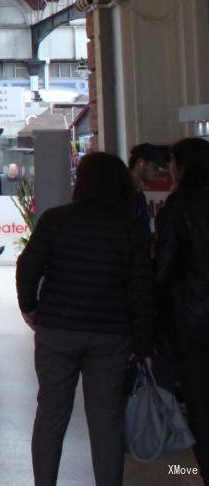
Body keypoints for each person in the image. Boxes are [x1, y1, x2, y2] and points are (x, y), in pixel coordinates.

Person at [18, 151, 155, 486]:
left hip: (57, 329)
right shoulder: (129, 227)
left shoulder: (56, 219)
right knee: (105, 419)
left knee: (51, 413)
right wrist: (143, 339)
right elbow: (141, 286)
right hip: (111, 333)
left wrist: (31, 307)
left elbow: (27, 266)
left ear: (81, 182)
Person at [154, 137, 209, 480]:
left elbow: (164, 268)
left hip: (193, 321)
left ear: (184, 167)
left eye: (173, 163)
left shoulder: (179, 207)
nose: (169, 169)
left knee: (201, 403)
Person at [128, 142, 159, 231]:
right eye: (155, 167)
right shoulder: (126, 194)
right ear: (141, 163)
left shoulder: (137, 192)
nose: (157, 172)